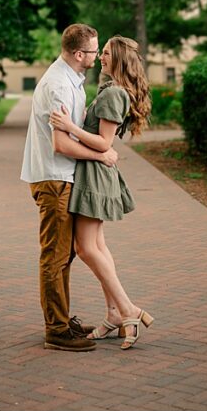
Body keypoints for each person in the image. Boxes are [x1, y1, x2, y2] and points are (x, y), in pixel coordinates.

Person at [49, 35, 154, 350]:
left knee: (86, 249)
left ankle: (128, 310)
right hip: (94, 174)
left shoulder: (113, 94)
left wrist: (70, 127)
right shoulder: (112, 91)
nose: (100, 57)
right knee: (97, 247)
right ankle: (113, 314)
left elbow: (104, 143)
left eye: (105, 52)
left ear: (118, 59)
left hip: (95, 176)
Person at [20, 24, 120, 352]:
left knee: (66, 253)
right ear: (80, 55)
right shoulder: (59, 85)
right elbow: (61, 144)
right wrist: (102, 154)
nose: (98, 55)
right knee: (55, 254)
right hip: (53, 177)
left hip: (62, 177)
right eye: (95, 51)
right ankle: (56, 330)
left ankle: (61, 321)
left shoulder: (71, 79)